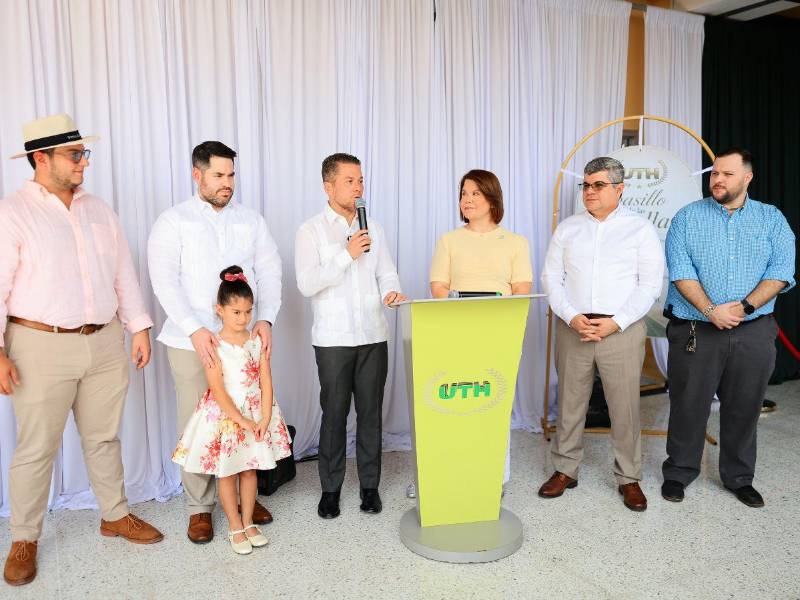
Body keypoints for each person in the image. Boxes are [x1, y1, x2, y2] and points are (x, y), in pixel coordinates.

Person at [0, 113, 163, 587]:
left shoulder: (98, 209)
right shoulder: (13, 213)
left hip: (104, 341)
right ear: (40, 158)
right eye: (74, 155)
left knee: (103, 437)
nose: (83, 164)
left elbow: (122, 273)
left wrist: (137, 327)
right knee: (36, 447)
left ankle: (114, 514)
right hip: (38, 344)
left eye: (83, 153)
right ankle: (24, 537)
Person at [148, 141, 282, 543]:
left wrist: (267, 319)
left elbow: (272, 270)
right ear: (197, 174)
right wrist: (194, 326)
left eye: (231, 176)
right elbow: (163, 280)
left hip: (242, 342)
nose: (227, 183)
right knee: (199, 423)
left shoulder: (251, 220)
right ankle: (199, 508)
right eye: (219, 175)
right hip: (192, 341)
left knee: (244, 415)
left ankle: (245, 498)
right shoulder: (174, 222)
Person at [661, 148, 795, 508]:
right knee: (688, 405)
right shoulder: (688, 218)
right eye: (714, 173)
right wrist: (710, 310)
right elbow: (680, 271)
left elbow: (782, 271)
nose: (717, 179)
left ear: (747, 178)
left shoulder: (772, 219)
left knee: (744, 407)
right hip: (695, 329)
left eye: (727, 174)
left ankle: (738, 478)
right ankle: (678, 472)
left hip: (753, 330)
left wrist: (745, 307)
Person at [539, 156, 664, 512]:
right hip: (573, 326)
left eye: (598, 185)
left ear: (619, 189)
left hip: (620, 329)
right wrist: (571, 315)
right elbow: (552, 278)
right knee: (570, 402)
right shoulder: (568, 228)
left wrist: (616, 321)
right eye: (586, 185)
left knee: (624, 406)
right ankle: (565, 469)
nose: (589, 192)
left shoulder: (639, 229)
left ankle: (629, 477)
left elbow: (650, 285)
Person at [295, 153, 407, 519]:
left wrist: (391, 292)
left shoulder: (372, 226)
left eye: (361, 180)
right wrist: (346, 254)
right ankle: (330, 489)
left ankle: (370, 487)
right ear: (329, 187)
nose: (359, 187)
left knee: (371, 414)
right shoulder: (310, 231)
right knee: (334, 415)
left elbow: (386, 272)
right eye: (350, 181)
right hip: (333, 339)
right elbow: (307, 283)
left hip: (374, 334)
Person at [426, 168, 532, 495]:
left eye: (474, 193)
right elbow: (438, 286)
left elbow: (522, 288)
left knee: (494, 405)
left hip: (499, 334)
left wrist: (493, 315)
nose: (467, 199)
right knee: (459, 403)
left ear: (491, 197)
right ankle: (460, 470)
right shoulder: (449, 240)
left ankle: (495, 478)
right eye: (463, 193)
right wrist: (465, 310)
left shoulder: (515, 242)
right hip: (457, 332)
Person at [172, 266, 292, 554]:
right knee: (227, 472)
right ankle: (234, 525)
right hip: (228, 416)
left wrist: (263, 416)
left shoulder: (257, 340)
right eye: (236, 312)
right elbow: (216, 388)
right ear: (220, 310)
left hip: (254, 413)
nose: (243, 318)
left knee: (250, 469)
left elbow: (265, 378)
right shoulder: (214, 345)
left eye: (248, 312)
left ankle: (249, 520)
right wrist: (241, 420)